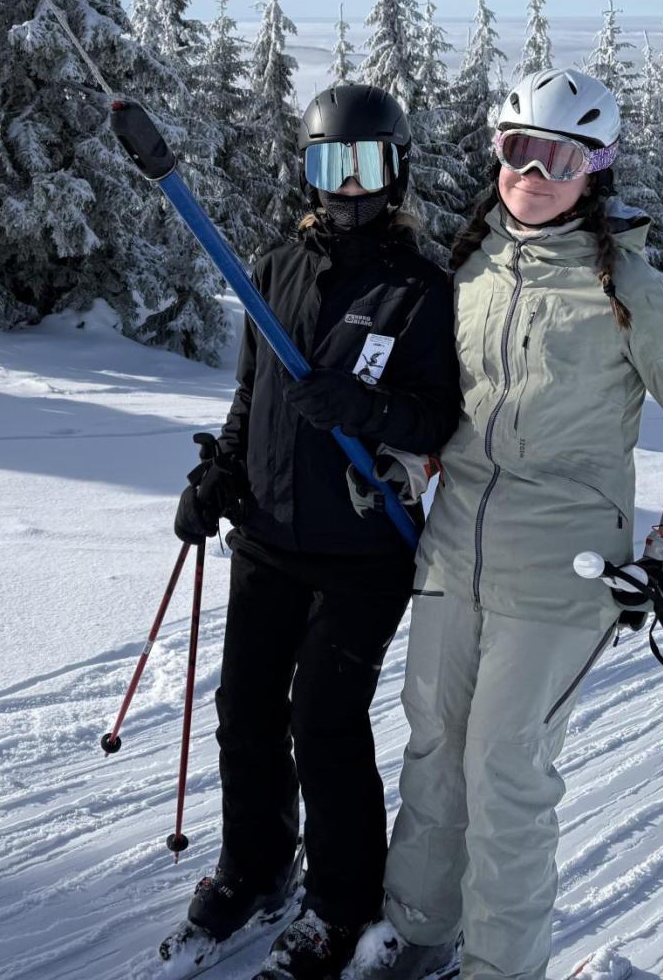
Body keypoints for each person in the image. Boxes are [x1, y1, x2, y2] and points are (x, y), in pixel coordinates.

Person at [352, 68, 663, 980]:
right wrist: (407, 465)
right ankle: (416, 931)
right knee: (434, 751)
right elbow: (446, 407)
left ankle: (500, 968)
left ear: (594, 170)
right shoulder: (470, 268)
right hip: (453, 555)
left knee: (506, 773)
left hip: (563, 574)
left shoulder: (628, 288)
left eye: (558, 158)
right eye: (517, 149)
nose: (532, 173)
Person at [170, 83, 462, 980]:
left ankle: (340, 904)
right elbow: (252, 390)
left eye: (366, 164)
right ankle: (258, 867)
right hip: (269, 531)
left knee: (324, 720)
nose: (348, 186)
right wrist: (223, 473)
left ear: (397, 170)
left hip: (365, 547)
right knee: (246, 708)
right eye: (331, 164)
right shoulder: (276, 266)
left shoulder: (421, 289)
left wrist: (365, 407)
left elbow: (440, 417)